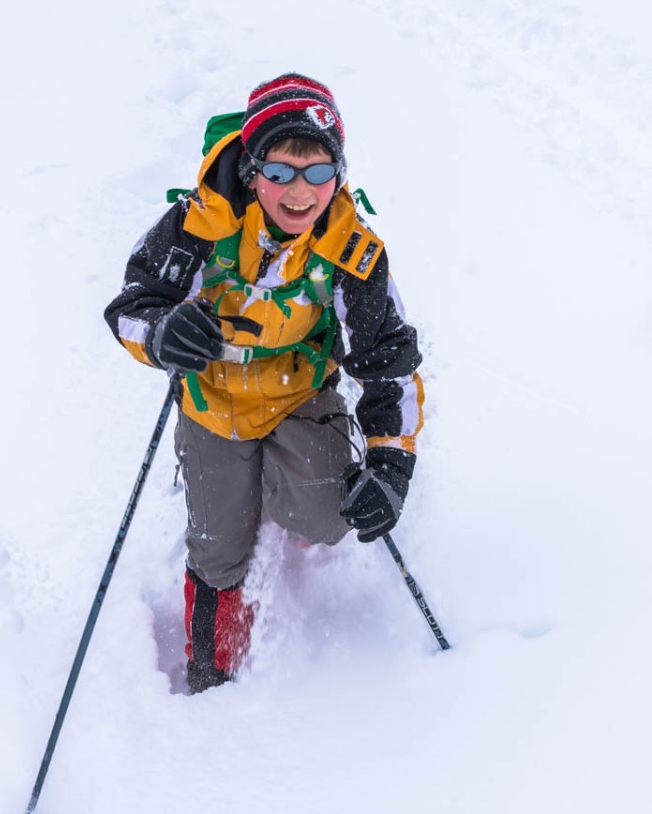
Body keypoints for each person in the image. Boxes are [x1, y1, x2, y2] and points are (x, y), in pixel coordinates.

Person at [104, 74, 425, 694]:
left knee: (332, 515)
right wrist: (162, 332)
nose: (299, 192)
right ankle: (212, 666)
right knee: (217, 547)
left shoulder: (352, 251)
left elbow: (389, 361)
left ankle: (291, 491)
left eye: (318, 172)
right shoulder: (198, 226)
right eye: (279, 172)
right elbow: (128, 308)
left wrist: (390, 467)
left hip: (299, 395)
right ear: (252, 172)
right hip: (211, 403)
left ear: (338, 174)